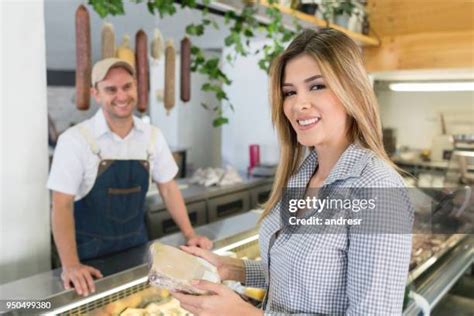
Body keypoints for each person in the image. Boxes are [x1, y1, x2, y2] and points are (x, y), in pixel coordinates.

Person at [171, 28, 413, 315]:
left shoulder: (378, 189)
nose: (298, 104)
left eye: (317, 86)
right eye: (289, 92)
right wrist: (230, 267)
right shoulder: (303, 174)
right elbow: (305, 277)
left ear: (353, 91)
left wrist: (244, 313)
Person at [47, 58, 212, 297]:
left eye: (127, 86)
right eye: (111, 89)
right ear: (96, 94)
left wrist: (190, 235)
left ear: (137, 88)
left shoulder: (152, 136)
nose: (121, 96)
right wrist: (71, 264)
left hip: (137, 249)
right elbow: (61, 205)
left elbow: (168, 188)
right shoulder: (75, 140)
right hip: (87, 259)